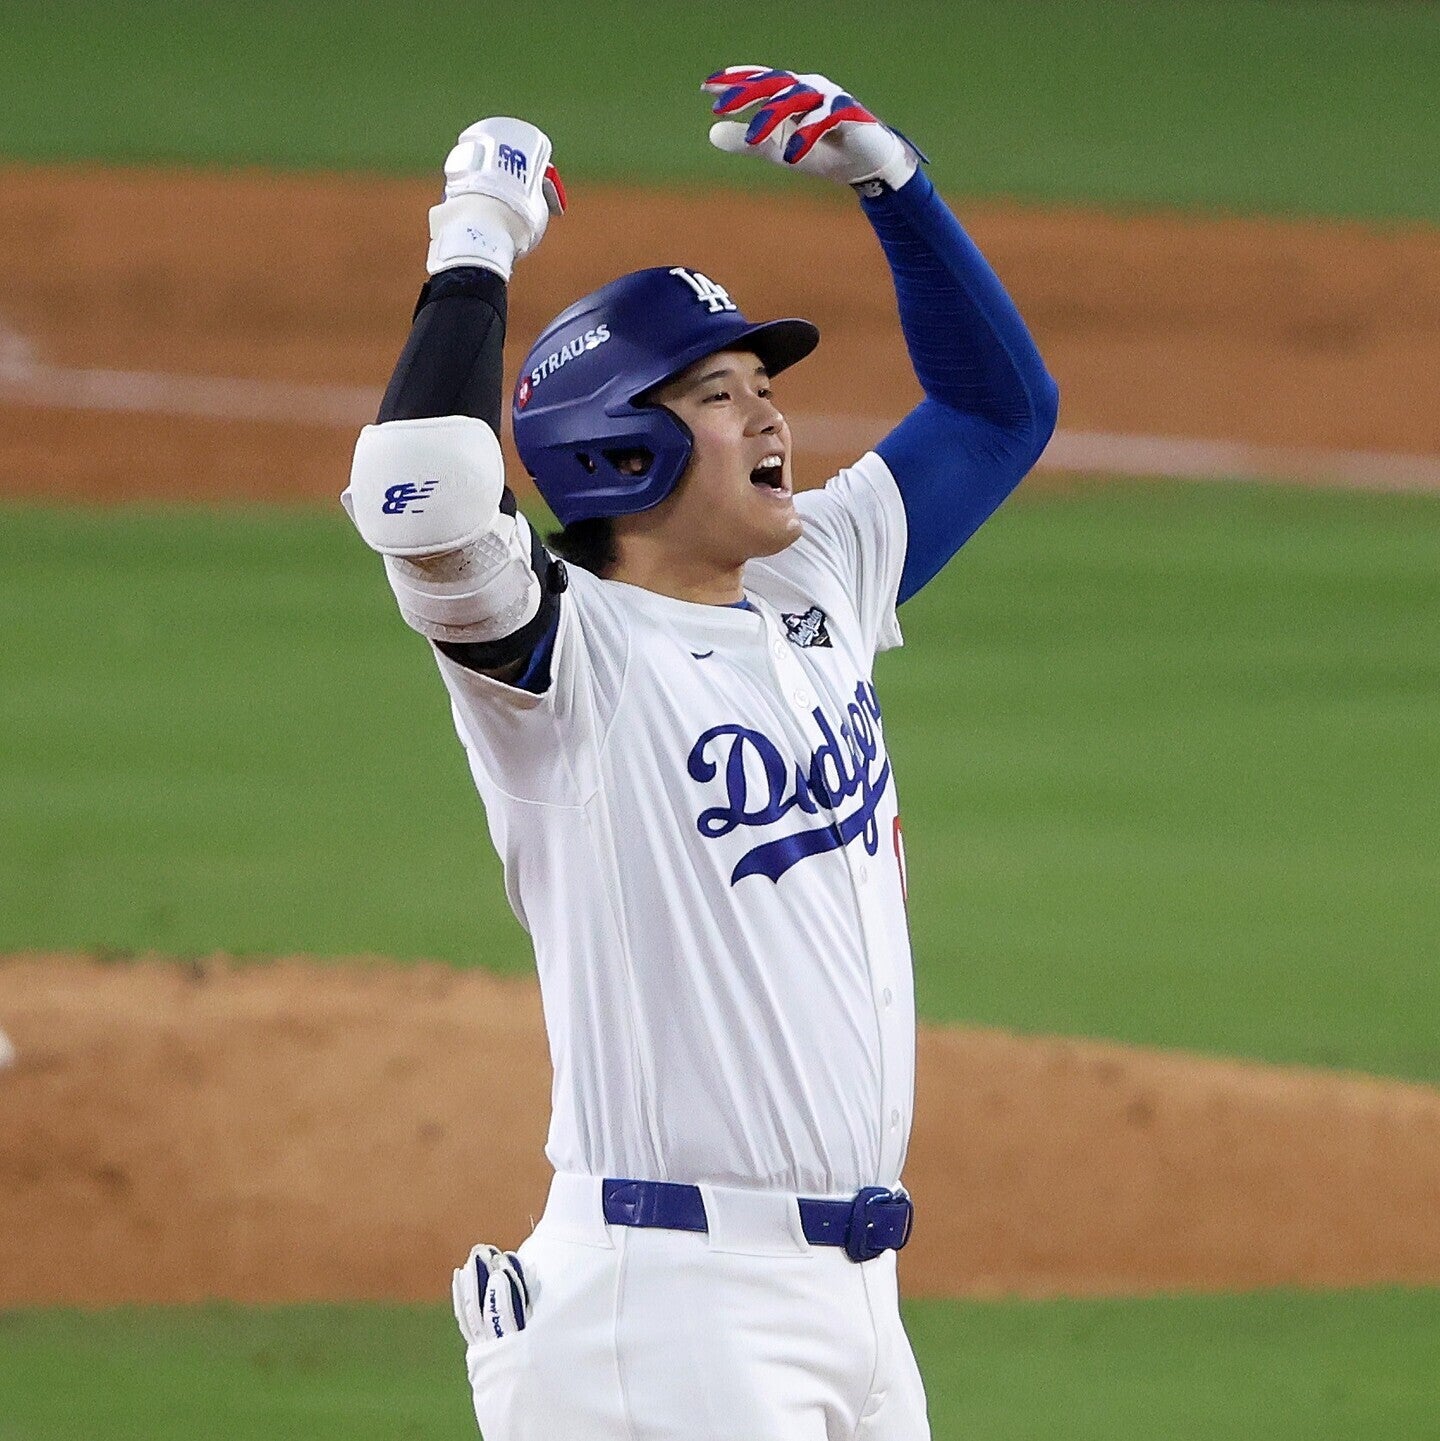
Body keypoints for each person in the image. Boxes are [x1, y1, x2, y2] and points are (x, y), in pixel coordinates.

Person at [343, 66, 1058, 1441]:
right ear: (617, 452)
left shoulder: (817, 592)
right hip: (661, 1307)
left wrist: (888, 183)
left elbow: (995, 413)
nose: (773, 416)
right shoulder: (565, 664)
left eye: (764, 383)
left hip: (856, 1307)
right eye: (721, 394)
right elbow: (421, 486)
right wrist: (479, 224)